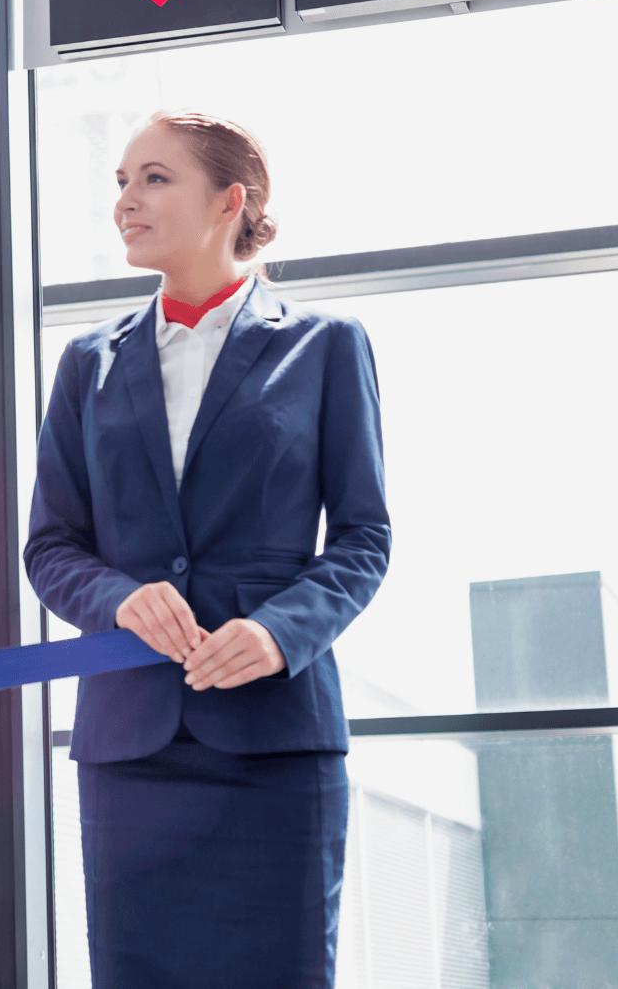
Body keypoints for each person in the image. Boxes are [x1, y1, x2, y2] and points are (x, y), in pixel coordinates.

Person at [24, 111, 389, 988]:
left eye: (153, 179)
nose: (125, 201)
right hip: (130, 750)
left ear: (231, 201)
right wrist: (117, 599)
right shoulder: (88, 361)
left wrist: (279, 632)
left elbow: (364, 537)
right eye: (120, 181)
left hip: (275, 738)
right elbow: (51, 545)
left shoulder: (325, 346)